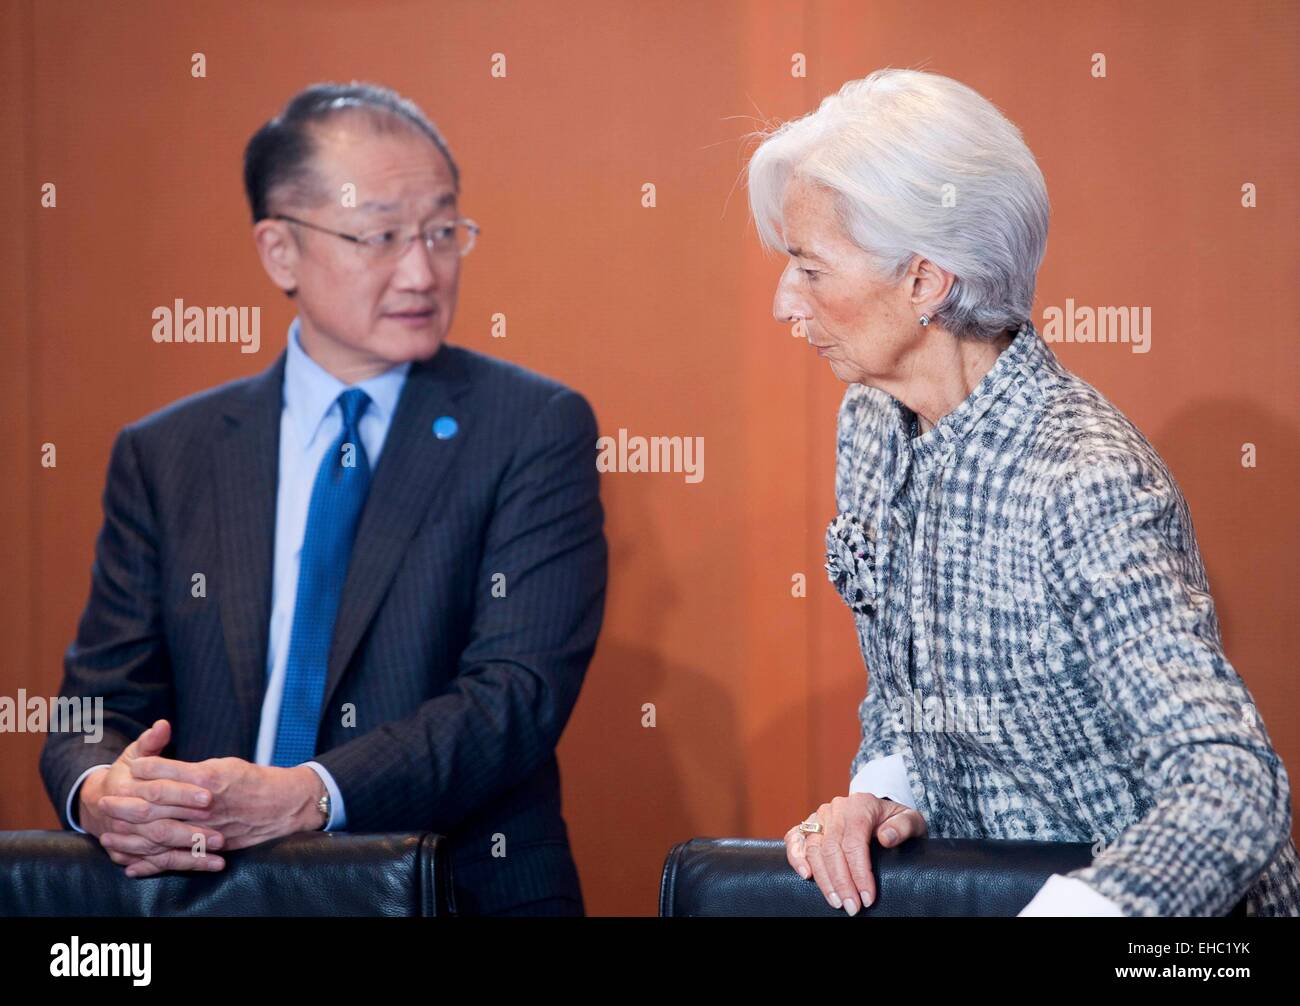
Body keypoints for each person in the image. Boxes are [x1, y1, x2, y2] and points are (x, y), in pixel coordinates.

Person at [39, 82, 607, 917]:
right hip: (206, 893)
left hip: (450, 892)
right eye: (379, 236)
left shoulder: (531, 426)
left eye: (443, 232)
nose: (421, 270)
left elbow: (514, 698)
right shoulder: (169, 453)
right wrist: (102, 792)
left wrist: (309, 794)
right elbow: (99, 700)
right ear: (279, 251)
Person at [746, 68, 1300, 916]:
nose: (785, 304)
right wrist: (887, 788)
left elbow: (1232, 786)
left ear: (925, 282)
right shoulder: (870, 421)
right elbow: (909, 685)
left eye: (810, 269)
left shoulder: (1085, 479)